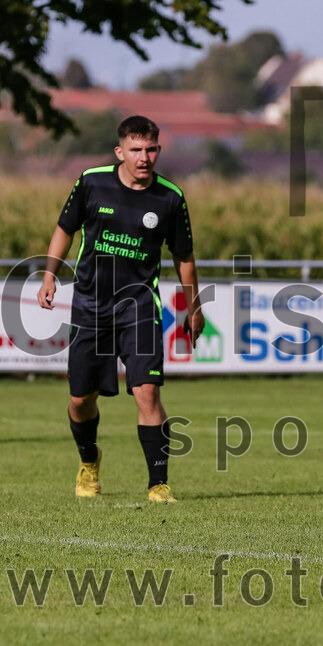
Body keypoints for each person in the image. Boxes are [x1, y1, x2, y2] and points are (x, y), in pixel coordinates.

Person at [37, 115, 203, 504]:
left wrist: (194, 307)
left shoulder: (170, 198)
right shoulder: (91, 181)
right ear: (120, 151)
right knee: (81, 399)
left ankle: (158, 484)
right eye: (136, 150)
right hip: (90, 305)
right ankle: (89, 462)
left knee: (147, 392)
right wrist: (49, 275)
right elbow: (65, 228)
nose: (144, 157)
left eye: (151, 149)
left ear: (158, 150)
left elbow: (184, 256)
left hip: (140, 306)